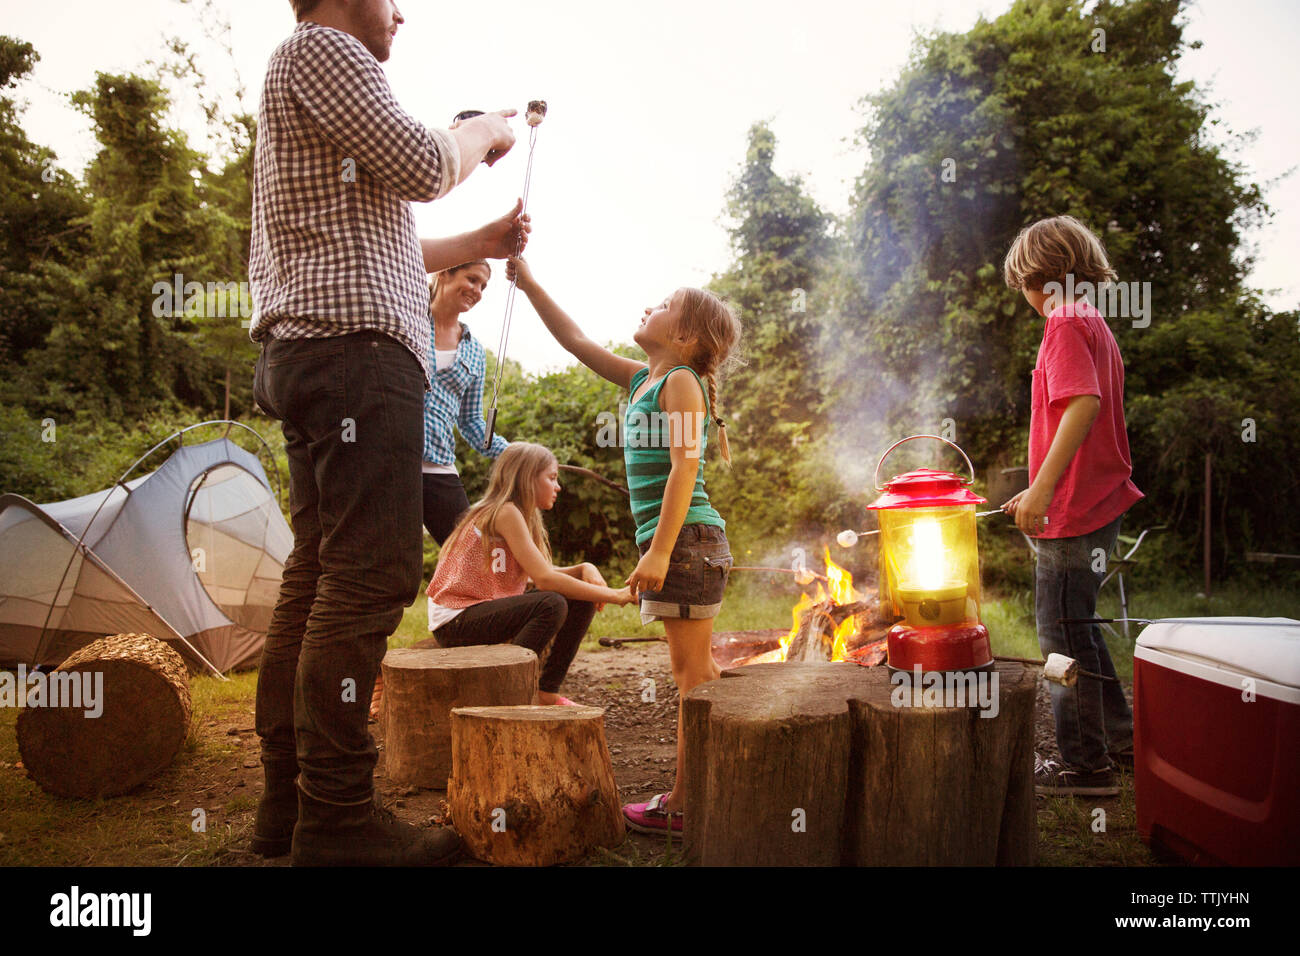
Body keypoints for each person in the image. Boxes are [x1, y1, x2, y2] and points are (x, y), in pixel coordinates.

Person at [248, 0, 528, 867]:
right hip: (357, 360)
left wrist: (478, 238)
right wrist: (480, 131)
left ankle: (292, 809)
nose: (401, 13)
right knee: (368, 580)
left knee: (317, 578)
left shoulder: (307, 81)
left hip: (319, 353)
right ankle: (336, 823)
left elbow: (383, 245)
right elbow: (418, 160)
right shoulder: (324, 49)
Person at [507, 255, 740, 833]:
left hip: (687, 541)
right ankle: (714, 787)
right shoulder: (645, 379)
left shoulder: (680, 383)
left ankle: (686, 806)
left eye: (663, 306)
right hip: (682, 542)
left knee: (691, 677)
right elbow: (576, 340)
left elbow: (687, 468)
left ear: (684, 336)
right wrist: (530, 280)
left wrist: (659, 551)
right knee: (698, 673)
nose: (648, 308)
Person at [1001, 215, 1143, 798]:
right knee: (1080, 628)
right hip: (1098, 505)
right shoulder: (1093, 322)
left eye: (1025, 289)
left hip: (1074, 513)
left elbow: (1081, 406)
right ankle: (1120, 740)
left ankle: (1085, 769)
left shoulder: (1062, 322)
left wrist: (1043, 491)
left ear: (1042, 278)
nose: (1028, 302)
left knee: (1061, 639)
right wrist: (1034, 486)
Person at [425, 442, 635, 702]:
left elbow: (541, 571)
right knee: (551, 603)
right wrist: (618, 595)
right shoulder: (504, 512)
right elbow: (545, 580)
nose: (558, 487)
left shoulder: (519, 514)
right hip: (455, 621)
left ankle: (547, 690)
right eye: (552, 478)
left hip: (477, 612)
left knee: (577, 597)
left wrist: (584, 568)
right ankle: (509, 690)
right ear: (527, 479)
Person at [422, 260, 510, 544]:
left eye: (483, 286)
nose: (477, 291)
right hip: (391, 460)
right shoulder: (407, 320)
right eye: (472, 279)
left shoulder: (474, 350)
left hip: (438, 466)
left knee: (470, 551)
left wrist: (509, 452)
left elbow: (471, 422)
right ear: (444, 271)